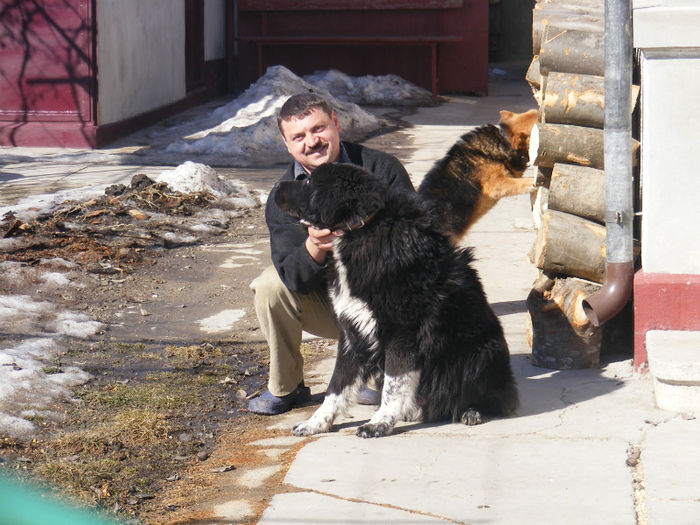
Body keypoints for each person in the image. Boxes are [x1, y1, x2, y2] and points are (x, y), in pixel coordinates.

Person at [247, 93, 415, 415]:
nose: (312, 141)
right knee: (269, 287)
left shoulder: (381, 169)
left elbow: (417, 240)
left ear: (336, 124)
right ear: (287, 144)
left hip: (387, 309)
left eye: (318, 129)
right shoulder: (284, 196)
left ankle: (381, 370)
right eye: (299, 136)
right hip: (331, 307)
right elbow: (292, 277)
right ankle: (286, 387)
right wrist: (314, 248)